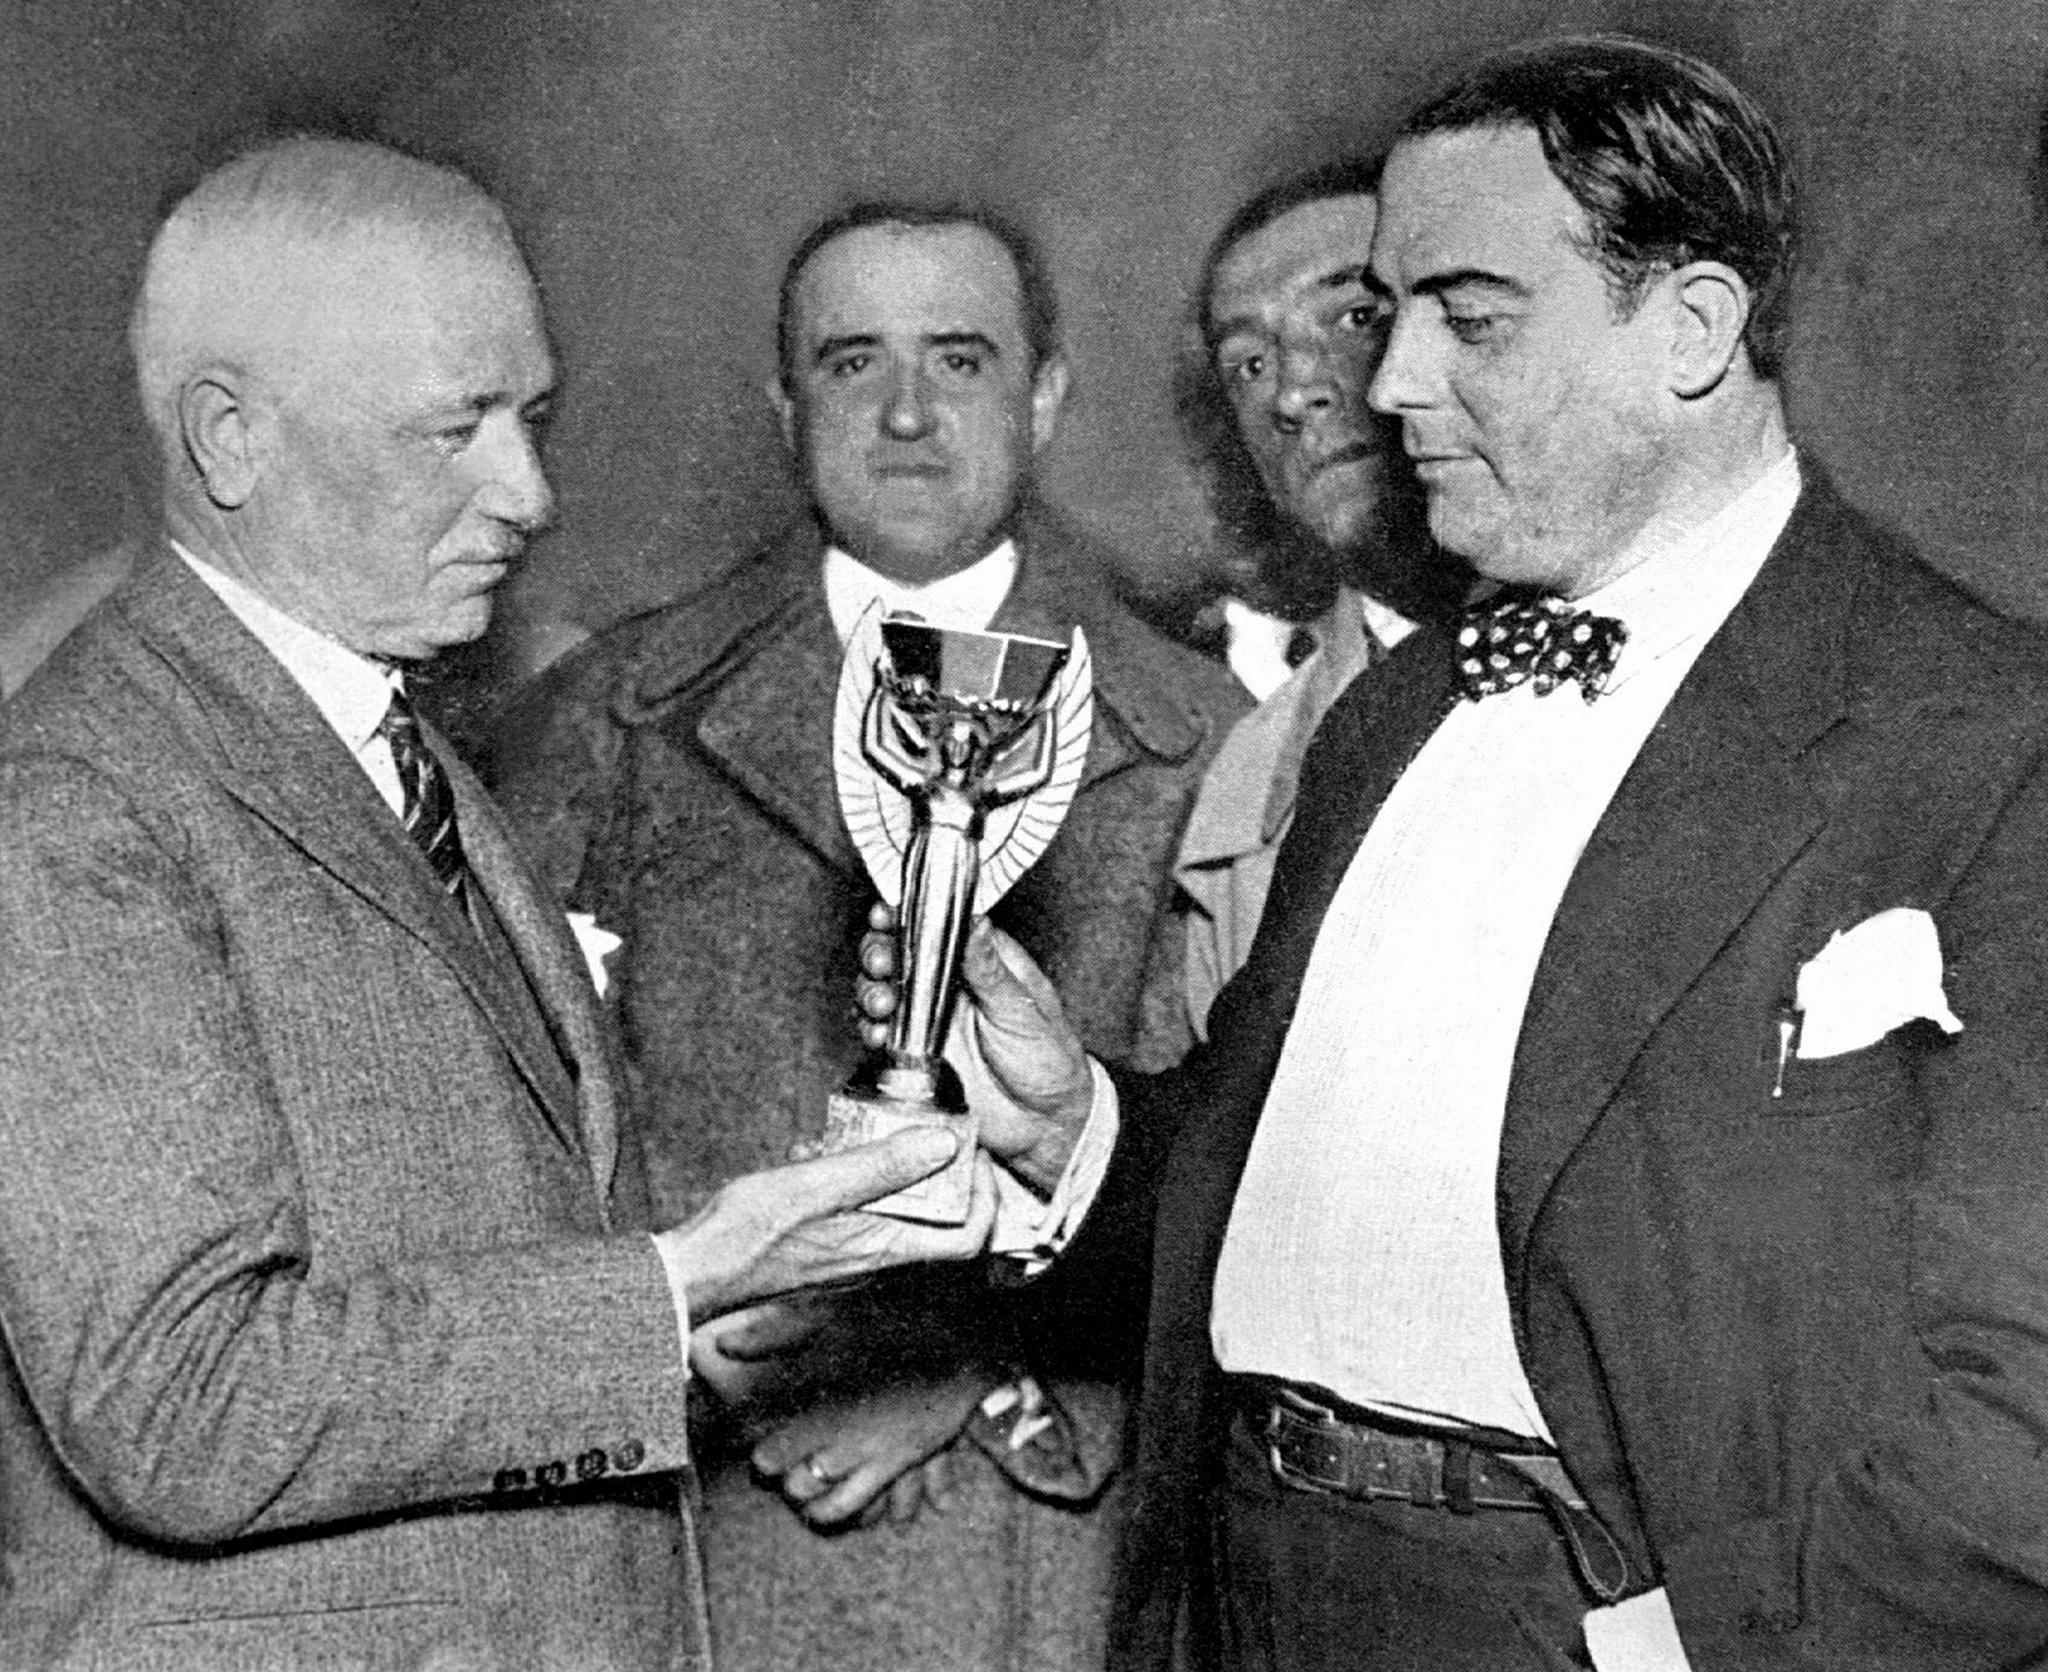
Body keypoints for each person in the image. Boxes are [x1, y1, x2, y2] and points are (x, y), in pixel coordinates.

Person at [928, 36, 2048, 1669]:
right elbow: (1337, 1191)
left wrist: (1660, 1653)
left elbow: (2024, 1428)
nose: (1387, 390)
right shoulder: (1388, 719)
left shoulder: (1979, 740)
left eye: (1468, 316)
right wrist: (1080, 1124)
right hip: (1255, 1584)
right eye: (1393, 318)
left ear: (1689, 328)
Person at [0, 137, 998, 1671]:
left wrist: (711, 1339)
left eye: (529, 421)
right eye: (454, 430)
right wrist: (665, 1288)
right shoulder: (73, 802)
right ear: (229, 440)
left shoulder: (391, 745)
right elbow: (177, 1404)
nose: (527, 494)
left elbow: (449, 1252)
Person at [489, 202, 1246, 1672]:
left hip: (1036, 1538)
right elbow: (507, 1115)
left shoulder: (1206, 738)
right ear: (787, 408)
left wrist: (981, 1368)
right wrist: (667, 1329)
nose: (906, 414)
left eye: (959, 362)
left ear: (1043, 399)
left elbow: (1236, 1174)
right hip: (693, 1517)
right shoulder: (609, 719)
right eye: (851, 366)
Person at [1170, 160, 1465, 1038]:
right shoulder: (1249, 785)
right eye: (1250, 365)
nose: (1295, 392)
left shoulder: (1660, 657)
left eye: (1355, 318)